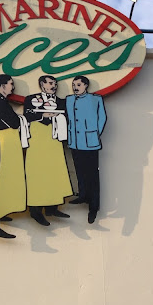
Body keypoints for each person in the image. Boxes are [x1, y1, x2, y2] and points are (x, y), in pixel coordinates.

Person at [23, 75, 73, 226]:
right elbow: (27, 115)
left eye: (55, 83)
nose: (53, 86)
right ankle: (35, 210)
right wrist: (43, 115)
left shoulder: (61, 101)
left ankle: (53, 207)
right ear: (42, 84)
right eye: (50, 83)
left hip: (54, 139)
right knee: (37, 172)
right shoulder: (31, 99)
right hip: (37, 138)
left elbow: (68, 116)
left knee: (55, 170)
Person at [0, 74, 28, 239]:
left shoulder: (1, 101)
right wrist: (21, 119)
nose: (12, 87)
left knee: (7, 178)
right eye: (10, 84)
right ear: (2, 86)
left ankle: (0, 212)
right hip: (4, 141)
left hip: (9, 141)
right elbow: (13, 122)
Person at [65, 75, 107, 224]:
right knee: (79, 171)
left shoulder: (95, 99)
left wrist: (94, 134)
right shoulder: (69, 99)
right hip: (75, 142)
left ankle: (93, 206)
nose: (75, 87)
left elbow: (102, 118)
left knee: (92, 175)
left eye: (78, 85)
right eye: (73, 85)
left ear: (86, 86)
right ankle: (82, 195)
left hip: (90, 143)